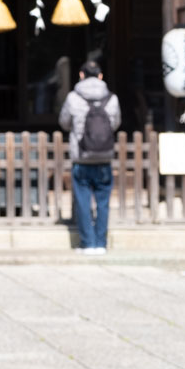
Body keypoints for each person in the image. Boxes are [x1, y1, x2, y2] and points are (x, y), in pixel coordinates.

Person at [58, 60, 121, 253]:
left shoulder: (73, 98)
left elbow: (64, 122)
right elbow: (115, 124)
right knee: (103, 202)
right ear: (101, 76)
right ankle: (101, 243)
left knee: (83, 201)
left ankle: (87, 243)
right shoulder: (112, 99)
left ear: (81, 75)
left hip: (82, 157)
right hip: (104, 157)